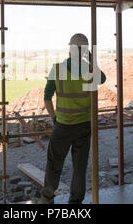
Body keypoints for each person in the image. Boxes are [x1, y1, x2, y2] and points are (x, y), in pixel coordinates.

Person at [39, 33, 106, 204]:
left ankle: (47, 199)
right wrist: (90, 59)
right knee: (79, 168)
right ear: (85, 51)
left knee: (54, 164)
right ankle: (75, 202)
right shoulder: (89, 70)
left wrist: (54, 118)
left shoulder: (57, 69)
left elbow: (47, 98)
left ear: (69, 49)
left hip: (62, 126)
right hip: (83, 126)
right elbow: (103, 78)